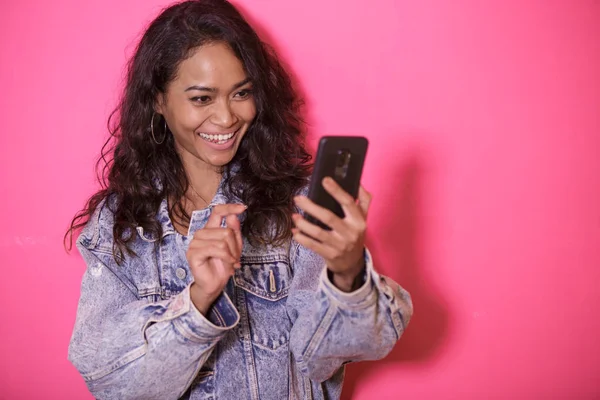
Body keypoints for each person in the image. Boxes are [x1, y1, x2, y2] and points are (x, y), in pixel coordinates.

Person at [66, 0, 413, 399]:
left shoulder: (297, 208)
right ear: (158, 101)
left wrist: (348, 275)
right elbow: (113, 385)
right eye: (201, 98)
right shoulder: (118, 226)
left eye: (241, 92)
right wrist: (198, 302)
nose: (227, 117)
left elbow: (323, 357)